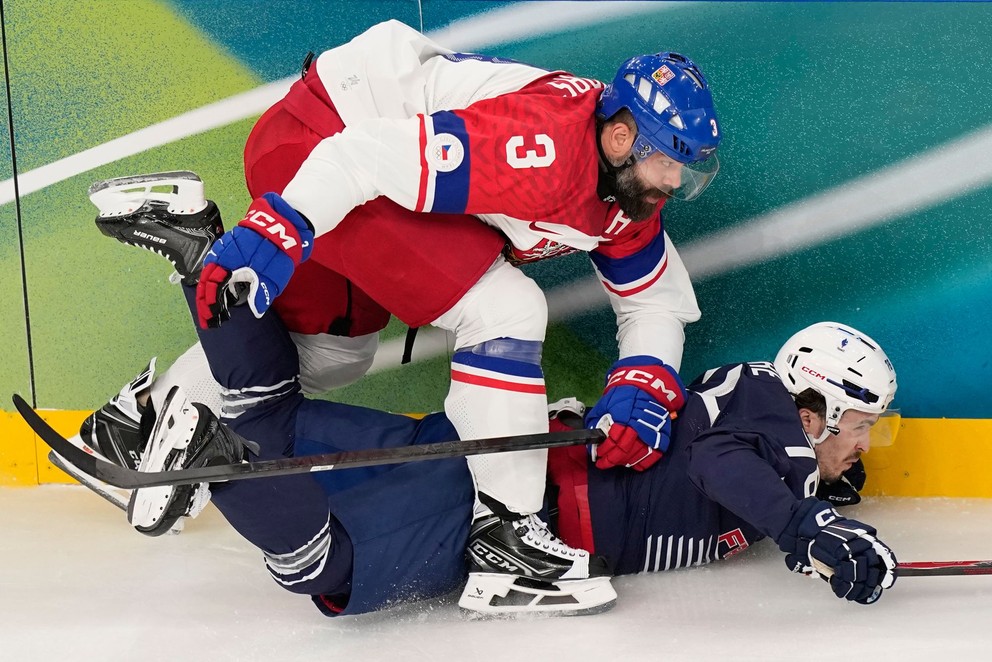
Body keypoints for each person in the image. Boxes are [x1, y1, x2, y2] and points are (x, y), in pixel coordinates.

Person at [72, 198, 898, 616]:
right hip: (504, 509)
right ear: (814, 408)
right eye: (860, 426)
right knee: (329, 571)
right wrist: (809, 527)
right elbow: (722, 466)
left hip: (498, 454)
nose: (865, 443)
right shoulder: (767, 420)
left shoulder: (760, 413)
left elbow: (733, 469)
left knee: (272, 418)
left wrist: (815, 507)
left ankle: (201, 250)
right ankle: (212, 460)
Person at [172, 19, 722, 598]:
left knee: (335, 351)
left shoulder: (627, 191)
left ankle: (151, 419)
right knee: (506, 308)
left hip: (330, 143)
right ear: (621, 137)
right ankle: (507, 536)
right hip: (321, 148)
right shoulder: (541, 148)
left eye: (684, 169)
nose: (674, 180)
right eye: (667, 161)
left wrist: (644, 378)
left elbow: (653, 302)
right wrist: (285, 221)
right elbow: (362, 157)